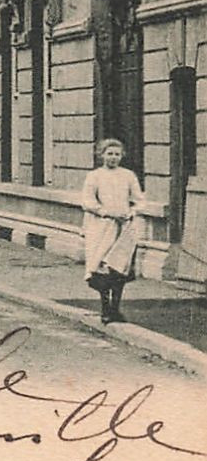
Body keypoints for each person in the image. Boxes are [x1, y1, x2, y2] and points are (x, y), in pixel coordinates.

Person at [81, 138, 142, 324]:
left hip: (123, 227)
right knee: (101, 269)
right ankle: (105, 308)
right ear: (101, 155)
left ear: (122, 156)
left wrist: (131, 212)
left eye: (117, 154)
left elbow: (140, 199)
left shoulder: (128, 176)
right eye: (109, 154)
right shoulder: (94, 176)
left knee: (119, 269)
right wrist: (105, 212)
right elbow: (87, 201)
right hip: (101, 227)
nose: (113, 158)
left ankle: (116, 309)